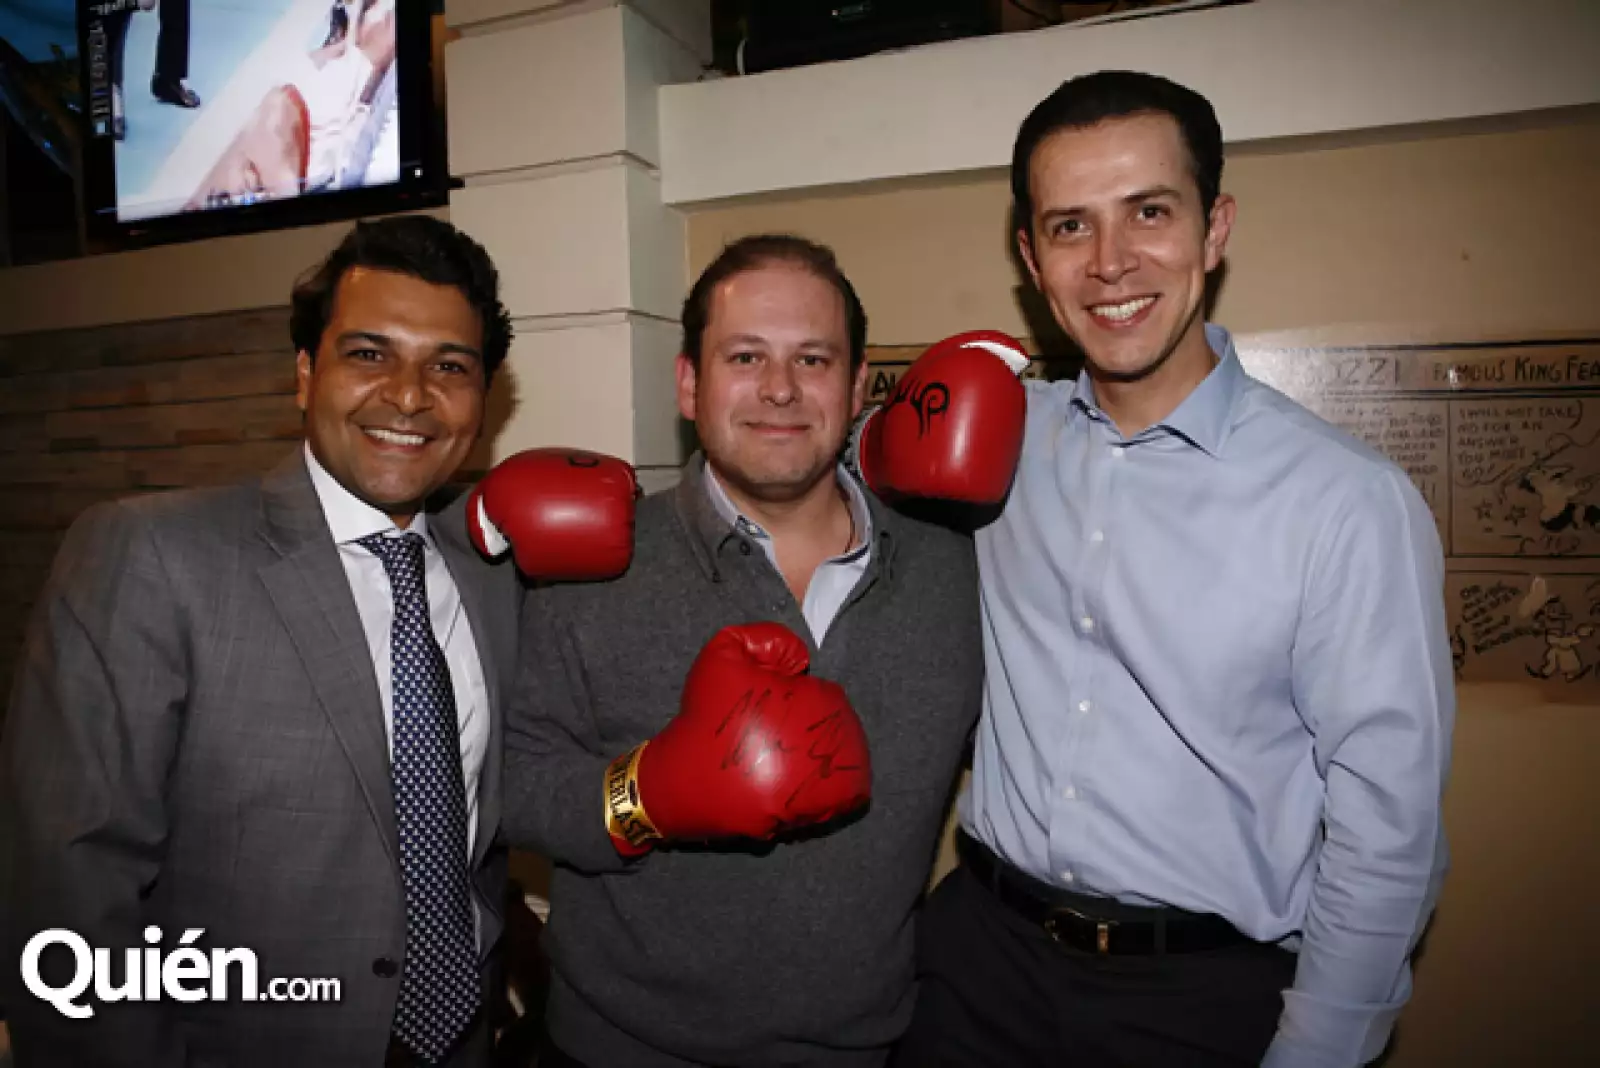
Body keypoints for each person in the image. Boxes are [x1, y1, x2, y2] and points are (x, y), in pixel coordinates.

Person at [889, 70, 1456, 1067]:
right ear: (1031, 256)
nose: (1110, 263)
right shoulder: (998, 438)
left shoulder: (1345, 502)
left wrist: (1320, 1051)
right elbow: (829, 483)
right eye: (1069, 227)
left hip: (1202, 998)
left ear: (1214, 227)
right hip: (977, 961)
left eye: (1148, 212)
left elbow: (1388, 830)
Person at [0, 215, 635, 1067]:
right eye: (369, 354)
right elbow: (67, 894)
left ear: (484, 401)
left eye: (449, 366)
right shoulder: (151, 554)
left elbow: (485, 821)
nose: (409, 396)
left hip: (465, 1040)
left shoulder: (497, 572)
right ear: (305, 374)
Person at [501, 234, 993, 1067]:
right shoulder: (597, 564)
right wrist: (643, 792)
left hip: (870, 1047)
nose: (779, 389)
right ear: (689, 383)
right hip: (619, 1049)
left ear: (859, 382)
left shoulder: (953, 566)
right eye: (745, 356)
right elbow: (511, 782)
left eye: (813, 358)